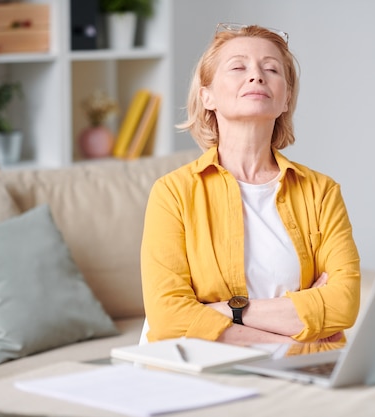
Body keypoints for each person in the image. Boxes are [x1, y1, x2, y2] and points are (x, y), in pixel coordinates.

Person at [140, 23, 361, 346]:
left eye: (271, 69)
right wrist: (287, 340)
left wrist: (225, 311)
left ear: (286, 98)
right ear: (207, 96)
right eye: (238, 67)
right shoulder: (172, 193)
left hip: (297, 376)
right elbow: (168, 316)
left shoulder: (321, 192)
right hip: (204, 371)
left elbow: (343, 305)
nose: (256, 76)